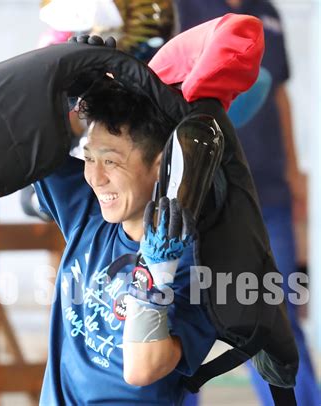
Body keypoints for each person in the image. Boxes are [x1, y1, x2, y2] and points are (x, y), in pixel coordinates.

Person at [33, 77, 217, 405]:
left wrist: (157, 268)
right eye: (89, 158)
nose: (95, 177)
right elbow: (24, 137)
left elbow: (141, 369)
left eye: (111, 162)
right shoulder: (86, 211)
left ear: (162, 166)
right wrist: (66, 88)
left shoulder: (195, 265)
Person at [175, 1, 319, 405]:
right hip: (201, 191)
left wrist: (295, 176)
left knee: (279, 315)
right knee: (186, 314)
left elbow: (278, 94)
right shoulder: (182, 7)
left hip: (268, 190)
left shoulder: (267, 12)